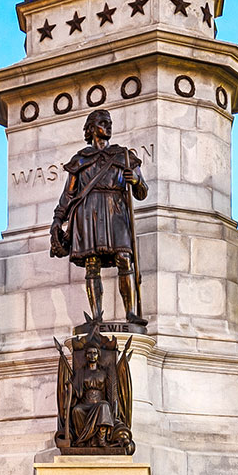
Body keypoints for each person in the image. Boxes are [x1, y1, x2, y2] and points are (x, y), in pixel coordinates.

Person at [50, 109, 148, 325]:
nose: (109, 126)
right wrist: (58, 220)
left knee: (124, 258)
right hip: (88, 213)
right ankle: (96, 317)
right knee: (91, 263)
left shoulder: (124, 156)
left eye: (110, 122)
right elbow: (68, 194)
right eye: (103, 122)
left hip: (116, 211)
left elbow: (142, 192)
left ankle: (131, 313)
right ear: (92, 129)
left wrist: (136, 182)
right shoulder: (80, 159)